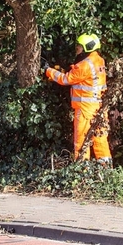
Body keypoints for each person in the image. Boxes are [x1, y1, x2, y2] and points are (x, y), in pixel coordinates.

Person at [45, 33, 112, 163]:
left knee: (80, 141)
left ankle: (82, 172)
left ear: (87, 48)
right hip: (100, 107)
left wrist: (48, 70)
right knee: (100, 139)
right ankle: (106, 171)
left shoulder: (85, 64)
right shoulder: (98, 60)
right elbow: (79, 76)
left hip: (85, 109)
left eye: (79, 47)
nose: (77, 49)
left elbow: (65, 79)